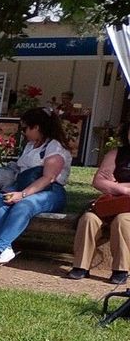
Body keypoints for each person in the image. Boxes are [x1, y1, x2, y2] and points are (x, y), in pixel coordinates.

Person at [0, 108, 71, 268]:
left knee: (25, 205)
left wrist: (22, 194)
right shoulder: (30, 145)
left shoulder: (55, 147)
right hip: (24, 185)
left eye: (25, 128)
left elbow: (49, 178)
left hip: (50, 191)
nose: (23, 132)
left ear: (37, 127)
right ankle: (5, 248)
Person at [68, 119, 130, 284]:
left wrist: (116, 184)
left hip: (127, 210)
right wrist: (124, 190)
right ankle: (80, 266)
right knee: (89, 219)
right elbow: (99, 181)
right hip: (109, 204)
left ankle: (121, 269)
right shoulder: (116, 154)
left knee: (123, 220)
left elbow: (107, 183)